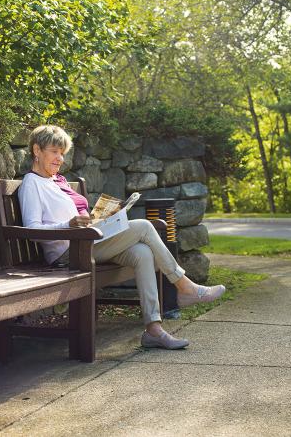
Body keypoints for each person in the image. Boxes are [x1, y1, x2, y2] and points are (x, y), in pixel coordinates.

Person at [18, 125, 225, 349]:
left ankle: (154, 330)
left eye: (62, 153)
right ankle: (185, 286)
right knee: (144, 226)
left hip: (89, 242)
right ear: (37, 150)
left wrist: (101, 219)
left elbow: (77, 218)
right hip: (68, 253)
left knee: (142, 253)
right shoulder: (31, 184)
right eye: (54, 151)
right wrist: (67, 225)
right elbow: (32, 230)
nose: (60, 158)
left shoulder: (57, 181)